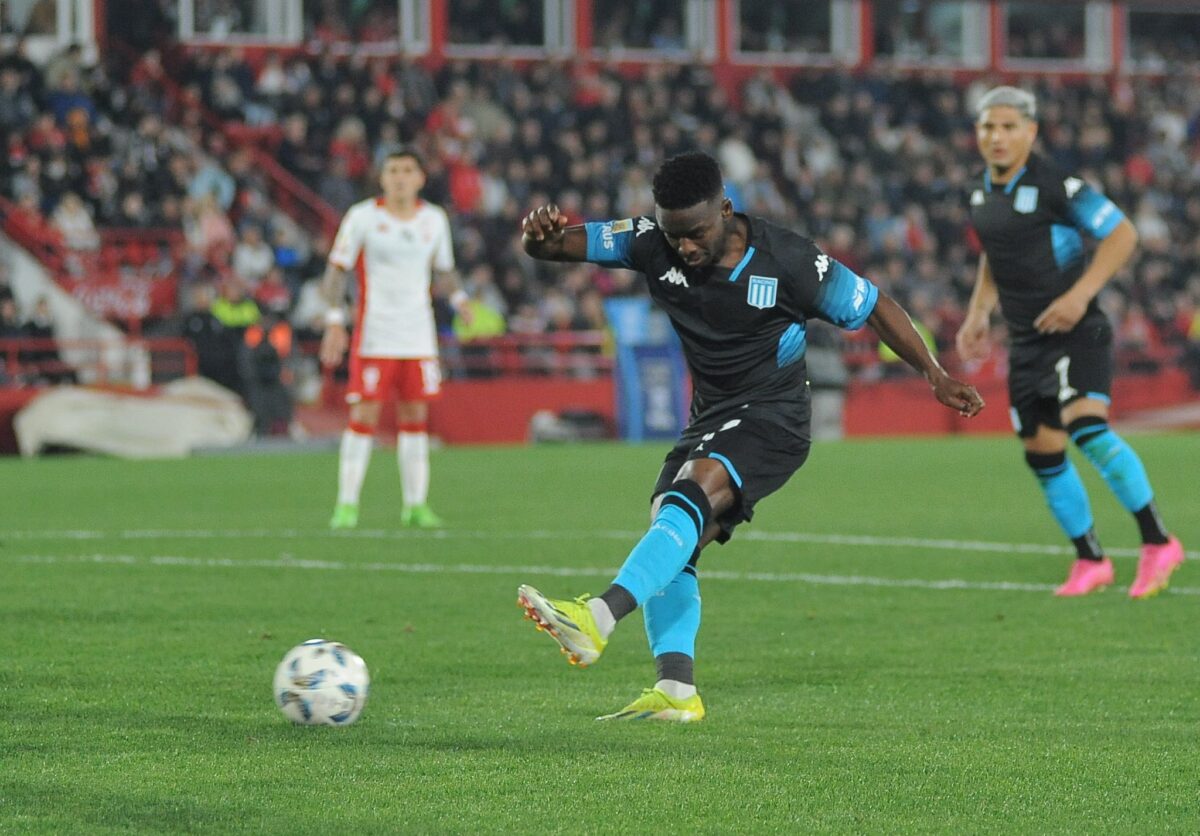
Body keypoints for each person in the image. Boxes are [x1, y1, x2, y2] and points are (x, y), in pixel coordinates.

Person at [517, 151, 984, 722]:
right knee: (673, 533)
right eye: (674, 235)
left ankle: (599, 618)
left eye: (695, 233)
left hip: (774, 416)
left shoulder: (788, 261)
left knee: (690, 493)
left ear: (726, 209)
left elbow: (875, 306)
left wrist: (934, 375)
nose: (684, 248)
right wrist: (538, 237)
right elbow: (557, 246)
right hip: (710, 417)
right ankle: (677, 691)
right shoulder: (647, 242)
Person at [956, 87, 1183, 599]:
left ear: (1031, 132)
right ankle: (1091, 559)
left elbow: (1122, 234)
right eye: (989, 126)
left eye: (1009, 126)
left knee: (1088, 429)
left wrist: (1080, 296)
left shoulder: (1059, 185)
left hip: (1079, 332)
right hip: (1025, 342)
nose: (997, 136)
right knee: (1042, 453)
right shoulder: (977, 192)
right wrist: (978, 311)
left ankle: (1158, 541)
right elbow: (995, 254)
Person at [320, 148, 471, 530]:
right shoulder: (362, 217)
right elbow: (336, 272)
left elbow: (444, 269)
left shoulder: (434, 220)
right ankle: (346, 505)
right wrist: (335, 320)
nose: (400, 177)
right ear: (382, 178)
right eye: (393, 170)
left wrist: (460, 299)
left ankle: (415, 505)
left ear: (420, 178)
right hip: (375, 335)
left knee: (416, 417)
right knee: (364, 415)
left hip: (418, 336)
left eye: (407, 170)